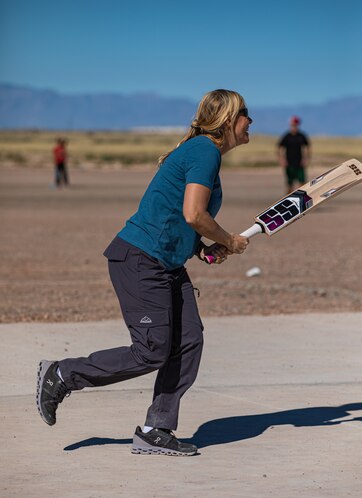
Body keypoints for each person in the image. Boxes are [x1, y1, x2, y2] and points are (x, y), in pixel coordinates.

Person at [36, 89, 252, 457]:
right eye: (247, 114)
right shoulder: (204, 151)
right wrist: (229, 240)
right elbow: (194, 215)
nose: (252, 123)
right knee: (151, 350)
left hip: (166, 263)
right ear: (230, 120)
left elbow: (175, 215)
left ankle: (157, 429)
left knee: (188, 341)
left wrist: (201, 248)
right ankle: (61, 374)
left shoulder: (201, 151)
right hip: (140, 260)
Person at [278, 116, 310, 193]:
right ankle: (288, 201)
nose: (294, 127)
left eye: (295, 125)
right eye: (292, 125)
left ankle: (302, 200)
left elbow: (307, 147)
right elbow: (279, 148)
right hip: (289, 163)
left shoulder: (301, 136)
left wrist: (306, 159)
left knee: (302, 183)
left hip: (299, 163)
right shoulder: (287, 136)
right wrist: (282, 159)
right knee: (290, 184)